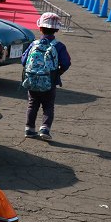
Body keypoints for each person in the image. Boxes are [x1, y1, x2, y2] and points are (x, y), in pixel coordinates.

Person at [21, 12, 71, 140]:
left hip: (32, 80)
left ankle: (29, 129)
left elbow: (23, 60)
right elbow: (66, 63)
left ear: (40, 28)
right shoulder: (59, 46)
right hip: (50, 80)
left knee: (32, 104)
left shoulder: (34, 44)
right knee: (48, 106)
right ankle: (44, 129)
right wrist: (59, 72)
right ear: (57, 30)